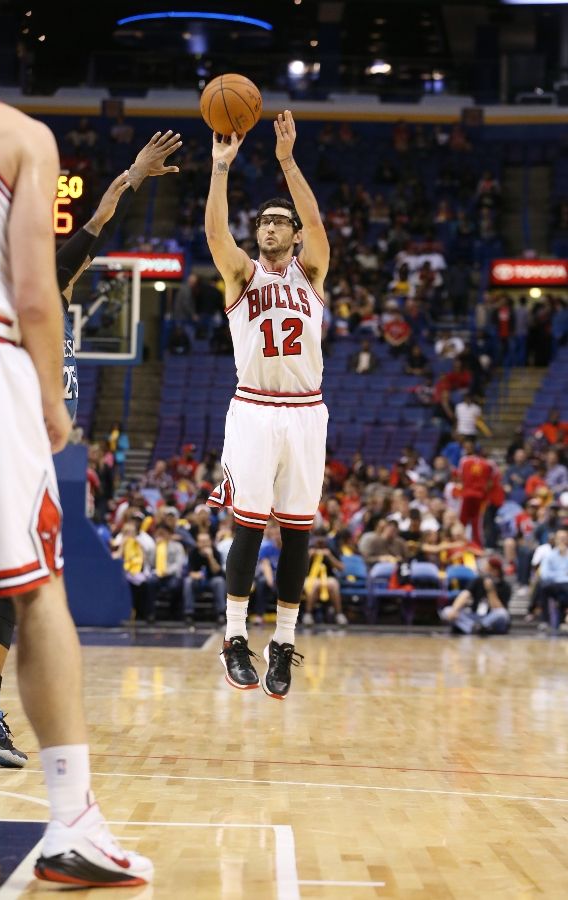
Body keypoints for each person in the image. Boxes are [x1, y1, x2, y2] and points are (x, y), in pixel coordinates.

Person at [0, 8, 157, 882]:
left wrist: (129, 181)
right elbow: (38, 294)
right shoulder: (16, 136)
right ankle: (72, 821)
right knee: (37, 588)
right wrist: (51, 395)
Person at [0, 128, 182, 769]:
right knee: (17, 581)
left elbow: (97, 228)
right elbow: (96, 222)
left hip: (22, 444)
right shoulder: (35, 286)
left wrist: (133, 177)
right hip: (7, 436)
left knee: (16, 581)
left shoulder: (56, 293)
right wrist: (132, 178)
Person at [205, 109, 329, 699]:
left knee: (298, 532)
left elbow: (316, 218)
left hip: (306, 411)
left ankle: (282, 642)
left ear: (295, 234)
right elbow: (215, 235)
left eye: (280, 222)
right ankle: (235, 638)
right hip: (254, 409)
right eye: (265, 222)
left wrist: (286, 160)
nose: (271, 228)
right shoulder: (242, 275)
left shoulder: (312, 273)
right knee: (250, 527)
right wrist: (220, 169)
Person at [439, 557, 511, 635]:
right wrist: (454, 610)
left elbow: (498, 608)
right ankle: (475, 628)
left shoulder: (505, 586)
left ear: (496, 571)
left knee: (502, 614)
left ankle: (479, 627)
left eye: (488, 569)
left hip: (490, 617)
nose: (485, 571)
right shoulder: (478, 580)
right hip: (474, 616)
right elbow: (465, 594)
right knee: (447, 611)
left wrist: (490, 591)